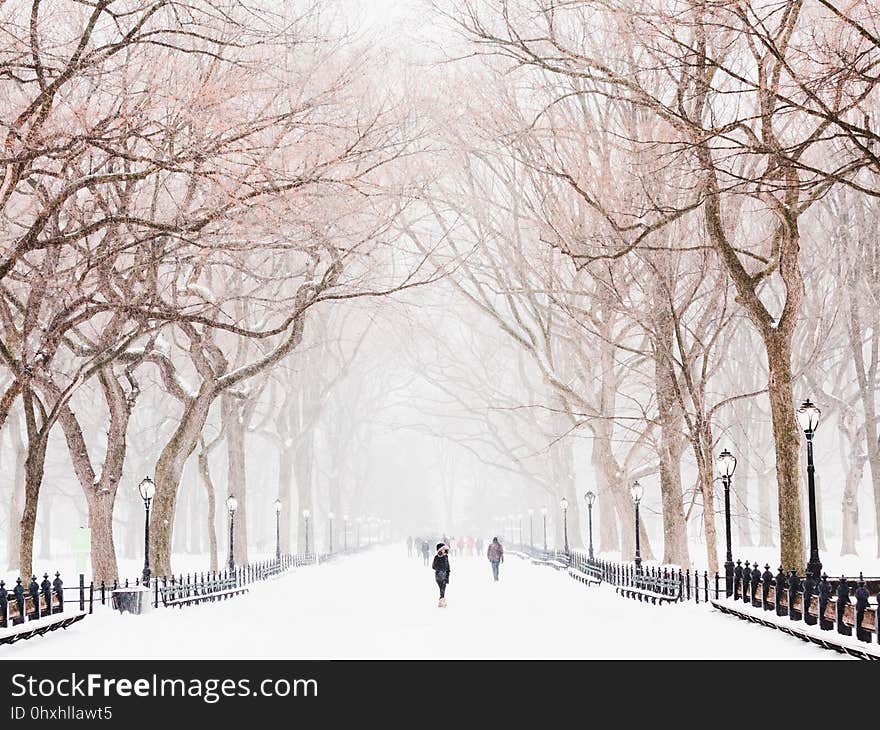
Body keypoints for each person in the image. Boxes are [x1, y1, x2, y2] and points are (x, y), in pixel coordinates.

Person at [432, 543, 451, 607]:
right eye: (443, 549)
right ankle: (442, 601)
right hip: (439, 575)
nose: (444, 550)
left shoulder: (446, 557)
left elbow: (448, 566)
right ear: (439, 550)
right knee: (442, 588)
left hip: (445, 575)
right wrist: (440, 569)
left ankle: (441, 601)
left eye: (445, 549)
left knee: (443, 588)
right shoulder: (437, 557)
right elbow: (433, 566)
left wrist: (448, 573)